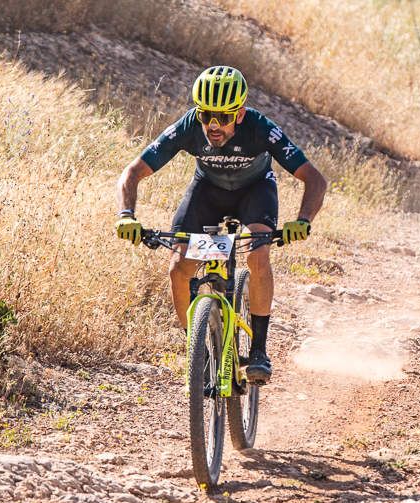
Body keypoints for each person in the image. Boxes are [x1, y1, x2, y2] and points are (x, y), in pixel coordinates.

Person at [114, 65, 327, 384]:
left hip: (255, 192)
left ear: (240, 114)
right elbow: (133, 172)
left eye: (223, 117)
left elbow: (315, 179)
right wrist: (126, 215)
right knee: (178, 267)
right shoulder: (189, 127)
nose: (213, 125)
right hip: (208, 193)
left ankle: (258, 350)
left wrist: (303, 221)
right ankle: (195, 348)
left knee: (257, 255)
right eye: (206, 115)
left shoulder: (259, 128)